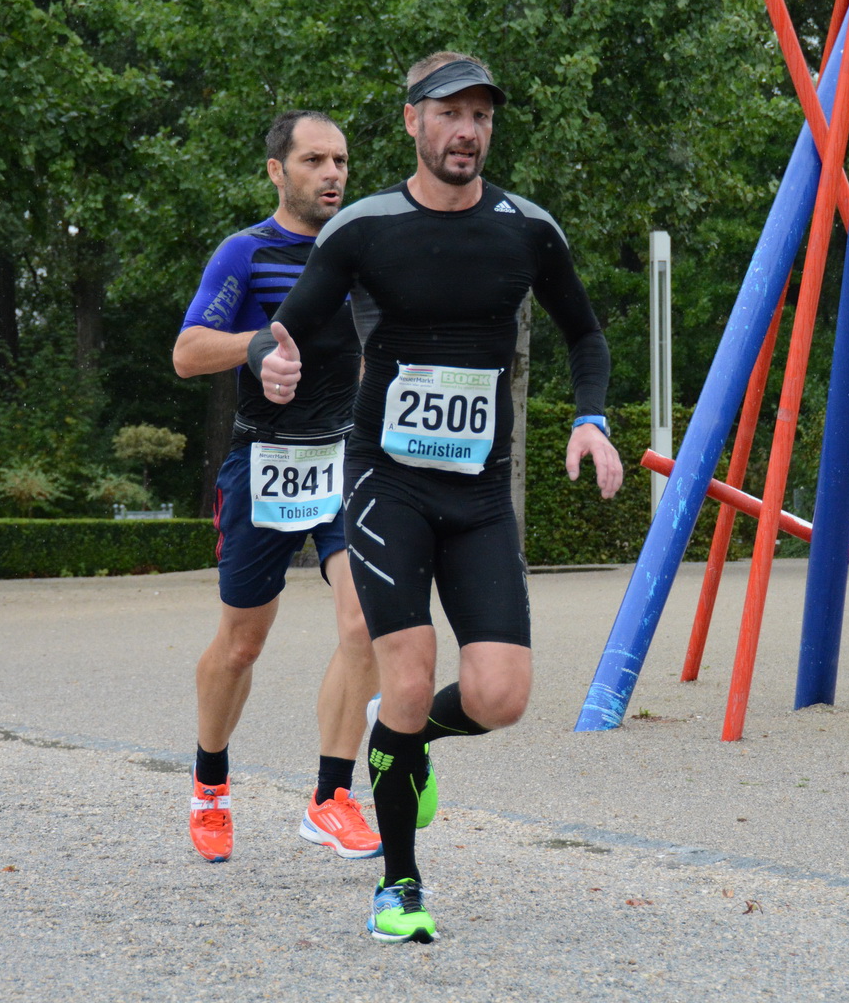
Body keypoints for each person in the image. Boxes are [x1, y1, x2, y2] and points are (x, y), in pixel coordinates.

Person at [247, 53, 622, 943]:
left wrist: (592, 418)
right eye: (450, 113)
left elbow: (585, 334)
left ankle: (402, 738)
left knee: (501, 695)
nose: (468, 131)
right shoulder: (364, 228)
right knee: (409, 676)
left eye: (481, 116)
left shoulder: (527, 230)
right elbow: (285, 328)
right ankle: (399, 886)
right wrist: (273, 360)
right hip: (388, 483)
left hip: (480, 494)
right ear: (412, 120)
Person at [172, 110, 383, 865]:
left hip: (344, 460)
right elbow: (188, 352)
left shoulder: (362, 254)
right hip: (262, 462)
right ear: (276, 171)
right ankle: (210, 784)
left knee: (366, 623)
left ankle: (330, 798)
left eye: (341, 161)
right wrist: (256, 344)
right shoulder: (246, 253)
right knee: (241, 645)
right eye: (315, 160)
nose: (332, 174)